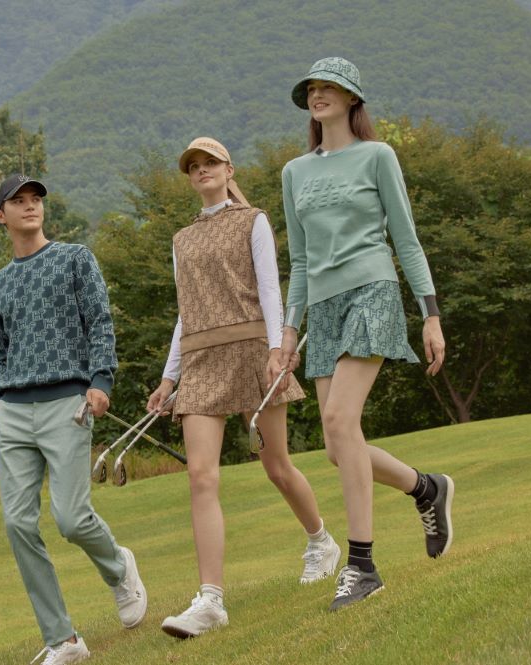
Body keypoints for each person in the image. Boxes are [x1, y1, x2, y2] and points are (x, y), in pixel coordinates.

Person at [146, 138, 341, 639]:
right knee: (200, 477)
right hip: (200, 360)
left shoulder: (253, 221)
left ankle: (321, 541)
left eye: (210, 162)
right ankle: (210, 600)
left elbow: (271, 289)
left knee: (276, 466)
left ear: (229, 169)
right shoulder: (181, 240)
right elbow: (185, 312)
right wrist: (169, 377)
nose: (202, 170)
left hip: (254, 352)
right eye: (193, 166)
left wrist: (278, 349)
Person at [279, 57, 454, 611]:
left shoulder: (378, 156)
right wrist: (288, 331)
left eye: (329, 87)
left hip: (372, 291)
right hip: (324, 308)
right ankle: (426, 488)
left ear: (352, 98)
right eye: (312, 88)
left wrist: (430, 314)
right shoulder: (294, 173)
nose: (318, 94)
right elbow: (300, 262)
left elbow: (406, 238)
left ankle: (362, 566)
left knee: (339, 420)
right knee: (337, 448)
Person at [0, 174, 146, 664]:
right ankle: (64, 640)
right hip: (13, 411)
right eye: (18, 201)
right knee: (17, 524)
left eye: (35, 199)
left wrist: (101, 380)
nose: (30, 206)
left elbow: (100, 322)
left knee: (72, 519)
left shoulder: (75, 259)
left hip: (68, 405)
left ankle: (118, 568)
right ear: (1, 216)